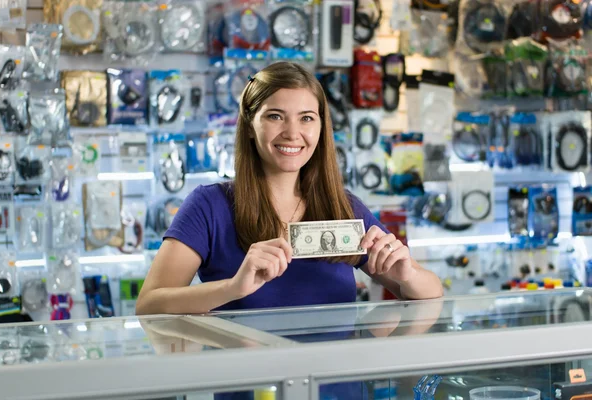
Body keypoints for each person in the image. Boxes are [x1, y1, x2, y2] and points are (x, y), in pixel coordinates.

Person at [136, 61, 442, 400]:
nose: (292, 133)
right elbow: (150, 304)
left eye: (307, 118)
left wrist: (406, 272)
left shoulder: (343, 206)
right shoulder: (210, 205)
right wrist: (233, 288)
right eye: (275, 116)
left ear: (321, 127)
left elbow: (430, 293)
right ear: (250, 124)